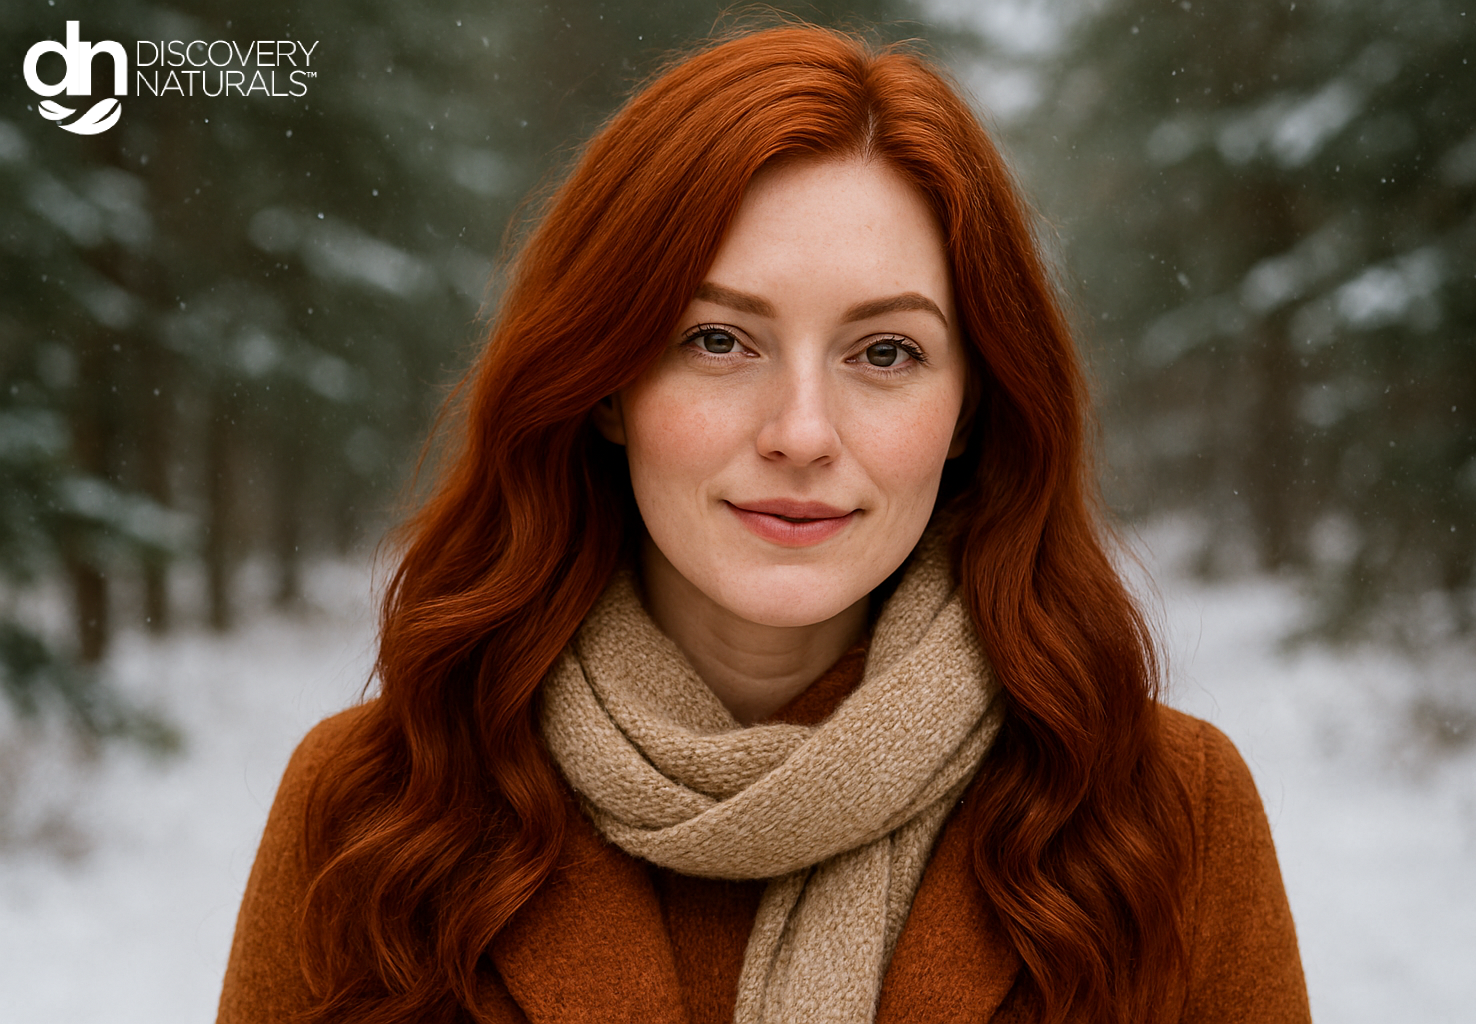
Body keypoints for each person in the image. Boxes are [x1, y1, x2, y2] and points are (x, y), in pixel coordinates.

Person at [217, 24, 1308, 1024]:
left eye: (886, 352)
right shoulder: (375, 806)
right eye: (718, 341)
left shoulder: (1162, 815)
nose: (801, 432)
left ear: (972, 410)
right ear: (605, 384)